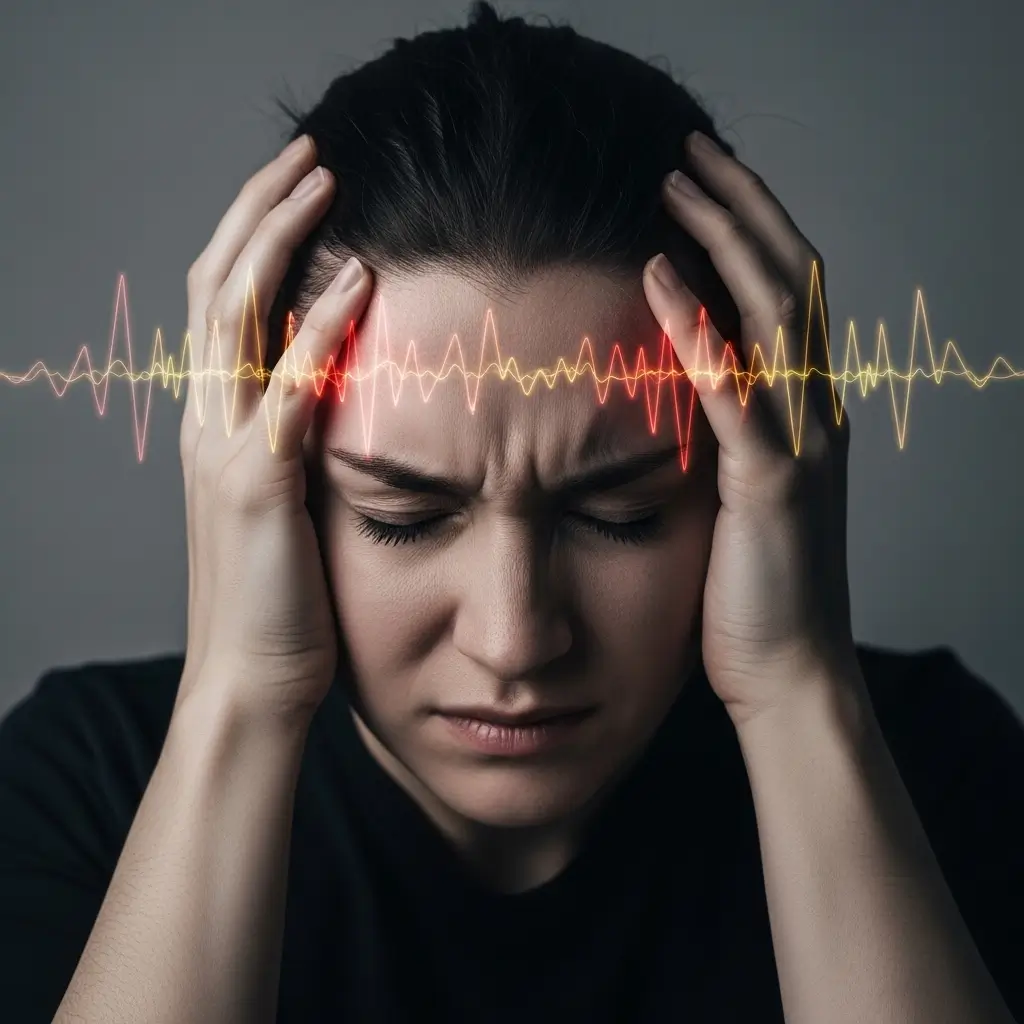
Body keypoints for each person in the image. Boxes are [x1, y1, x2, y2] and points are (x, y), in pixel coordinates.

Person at [1, 3, 1022, 1022]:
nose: (515, 639)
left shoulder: (934, 773)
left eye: (619, 513)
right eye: (400, 515)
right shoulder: (82, 788)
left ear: (744, 485)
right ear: (276, 492)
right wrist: (239, 693)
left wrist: (798, 689)